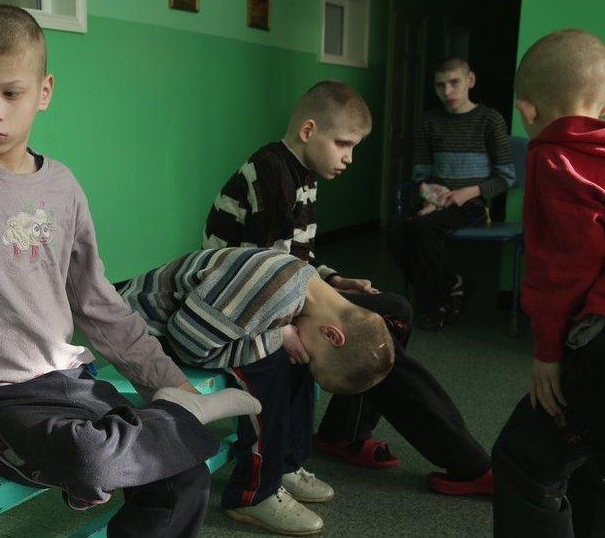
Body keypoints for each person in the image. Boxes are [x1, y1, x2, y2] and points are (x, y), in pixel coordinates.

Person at [0, 5, 260, 537]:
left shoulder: (62, 187)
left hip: (70, 382)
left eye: (11, 93)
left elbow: (98, 303)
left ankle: (178, 413)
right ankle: (179, 420)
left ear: (44, 91)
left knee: (184, 479)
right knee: (94, 461)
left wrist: (170, 382)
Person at [203, 81, 494, 530]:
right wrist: (284, 329)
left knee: (391, 309)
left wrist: (335, 280)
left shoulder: (303, 175)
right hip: (241, 304)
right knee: (290, 357)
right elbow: (260, 270)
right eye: (343, 144)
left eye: (354, 147)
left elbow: (296, 258)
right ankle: (255, 489)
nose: (348, 158)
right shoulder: (270, 171)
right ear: (308, 130)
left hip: (280, 290)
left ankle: (297, 457)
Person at [118, 247, 394, 535]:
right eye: (318, 362)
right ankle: (254, 494)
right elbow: (186, 343)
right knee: (267, 361)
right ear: (331, 334)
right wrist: (274, 337)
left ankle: (284, 464)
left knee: (295, 353)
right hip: (148, 329)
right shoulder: (269, 292)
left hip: (202, 328)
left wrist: (280, 336)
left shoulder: (306, 285)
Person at [491, 28, 605, 538]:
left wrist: (548, 355)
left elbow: (560, 269)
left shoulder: (552, 156)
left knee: (523, 462)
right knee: (593, 464)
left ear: (527, 111)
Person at [390, 57, 516, 331]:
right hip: (436, 200)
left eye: (454, 83)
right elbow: (420, 173)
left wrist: (467, 193)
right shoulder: (429, 121)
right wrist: (431, 196)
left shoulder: (490, 120)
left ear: (470, 80)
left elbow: (506, 177)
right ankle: (452, 283)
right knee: (397, 230)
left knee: (422, 229)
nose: (447, 92)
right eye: (440, 85)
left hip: (473, 205)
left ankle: (434, 306)